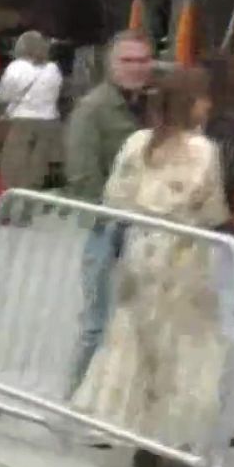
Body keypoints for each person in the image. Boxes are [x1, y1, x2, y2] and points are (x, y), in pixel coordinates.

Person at [73, 67, 230, 467]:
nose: (208, 105)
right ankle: (173, 444)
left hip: (141, 250)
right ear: (188, 103)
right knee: (185, 351)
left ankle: (144, 440)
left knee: (138, 343)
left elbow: (116, 195)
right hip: (183, 255)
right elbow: (208, 205)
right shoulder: (201, 149)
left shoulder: (137, 142)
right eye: (202, 98)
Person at [65, 29, 154, 395]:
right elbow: (83, 174)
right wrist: (113, 217)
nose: (136, 68)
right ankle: (75, 397)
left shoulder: (152, 106)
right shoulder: (94, 108)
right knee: (98, 322)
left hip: (148, 230)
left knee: (136, 322)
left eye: (142, 60)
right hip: (108, 228)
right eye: (127, 60)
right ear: (110, 65)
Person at [0, 30, 64, 195]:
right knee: (39, 167)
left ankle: (14, 202)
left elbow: (4, 94)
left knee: (15, 167)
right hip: (49, 121)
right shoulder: (53, 68)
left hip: (21, 120)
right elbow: (57, 92)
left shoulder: (16, 67)